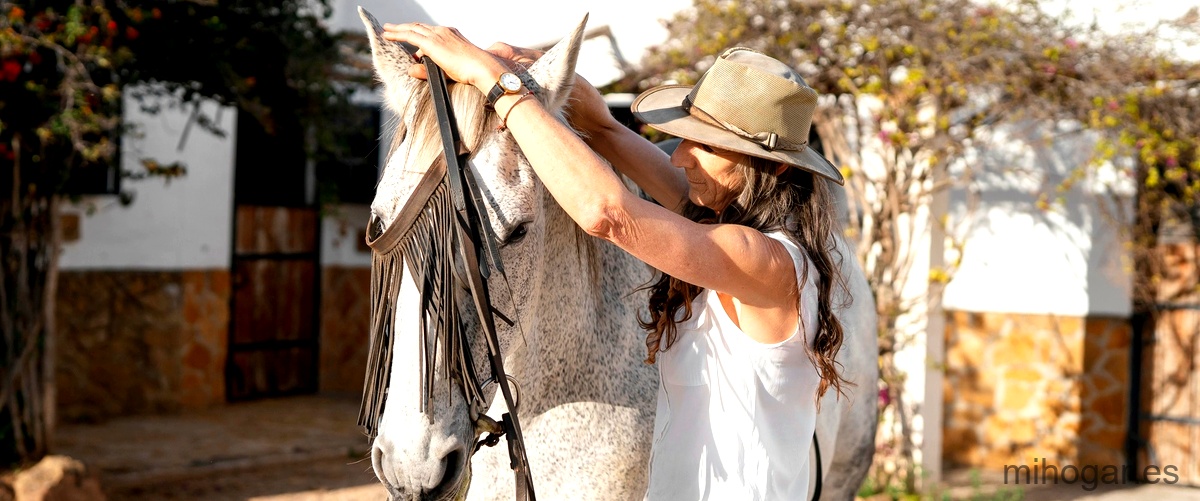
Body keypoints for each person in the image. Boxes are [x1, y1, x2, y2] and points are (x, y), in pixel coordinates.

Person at [384, 22, 851, 501]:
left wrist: (491, 80)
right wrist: (542, 83)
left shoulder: (768, 263)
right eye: (684, 138)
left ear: (772, 166)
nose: (680, 158)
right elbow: (607, 132)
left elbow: (606, 213)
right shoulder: (725, 227)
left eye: (707, 146)